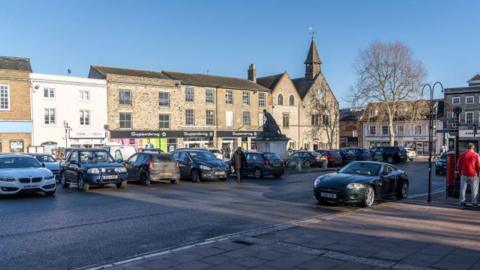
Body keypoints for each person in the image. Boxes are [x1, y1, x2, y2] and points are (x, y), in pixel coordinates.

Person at [457, 143, 479, 207]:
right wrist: (478, 173)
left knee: (463, 189)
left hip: (464, 174)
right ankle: (474, 202)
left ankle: (462, 202)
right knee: (474, 189)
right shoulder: (476, 155)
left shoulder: (462, 155)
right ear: (473, 148)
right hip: (473, 174)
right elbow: (478, 166)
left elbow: (459, 165)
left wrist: (460, 172)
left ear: (467, 147)